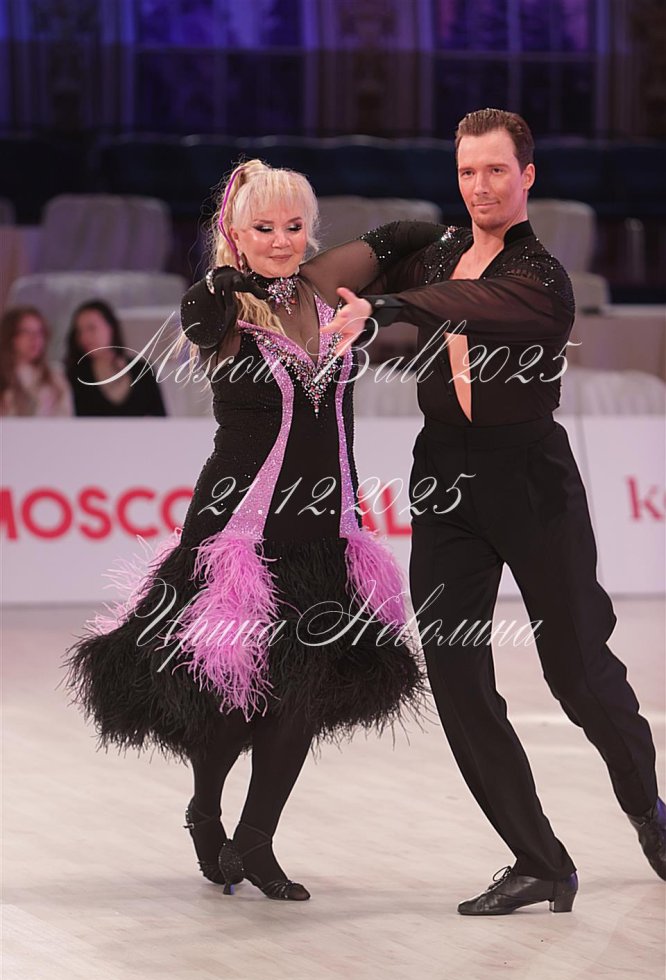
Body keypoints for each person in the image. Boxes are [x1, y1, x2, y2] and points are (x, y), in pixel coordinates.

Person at [63, 159, 442, 901]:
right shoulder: (220, 301)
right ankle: (206, 809)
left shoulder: (322, 287)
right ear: (235, 232)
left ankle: (258, 840)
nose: (281, 240)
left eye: (294, 226)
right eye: (263, 227)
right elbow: (199, 320)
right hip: (241, 531)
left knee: (301, 696)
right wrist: (223, 280)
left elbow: (404, 236)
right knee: (233, 699)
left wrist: (466, 245)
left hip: (324, 532)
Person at [324, 108, 666, 915]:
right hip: (444, 481)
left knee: (578, 669)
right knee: (455, 674)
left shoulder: (541, 277)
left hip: (530, 480)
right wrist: (274, 269)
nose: (480, 186)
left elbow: (468, 304)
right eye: (467, 171)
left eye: (496, 170)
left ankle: (646, 807)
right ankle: (539, 858)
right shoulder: (435, 248)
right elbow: (340, 267)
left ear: (527, 176)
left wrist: (388, 307)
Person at [65, 299, 166, 417]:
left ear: (110, 327)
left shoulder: (142, 369)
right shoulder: (75, 375)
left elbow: (161, 419)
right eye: (79, 331)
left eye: (91, 328)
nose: (84, 337)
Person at [0, 306, 74, 416]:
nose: (35, 339)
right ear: (11, 336)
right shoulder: (4, 376)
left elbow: (66, 417)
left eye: (39, 332)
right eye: (26, 332)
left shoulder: (55, 378)